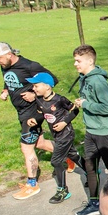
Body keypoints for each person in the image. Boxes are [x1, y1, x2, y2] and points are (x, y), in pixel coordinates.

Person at [0, 42, 57, 200]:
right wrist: (5, 90)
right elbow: (8, 79)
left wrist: (35, 96)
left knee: (26, 147)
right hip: (21, 111)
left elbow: (52, 80)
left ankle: (32, 184)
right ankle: (69, 155)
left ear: (9, 54)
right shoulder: (5, 66)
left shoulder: (30, 66)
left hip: (33, 112)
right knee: (39, 143)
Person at [72, 45, 108, 215]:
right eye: (75, 60)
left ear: (90, 61)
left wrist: (85, 104)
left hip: (105, 132)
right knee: (90, 167)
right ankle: (94, 202)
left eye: (78, 60)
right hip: (91, 131)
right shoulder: (84, 79)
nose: (75, 64)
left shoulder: (98, 81)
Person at [24, 72, 84, 204]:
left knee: (56, 161)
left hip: (66, 134)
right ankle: (91, 171)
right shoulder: (39, 101)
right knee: (73, 155)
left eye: (36, 86)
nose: (33, 89)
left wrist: (64, 123)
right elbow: (42, 114)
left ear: (47, 86)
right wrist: (35, 119)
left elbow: (75, 110)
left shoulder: (60, 99)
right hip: (56, 135)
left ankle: (63, 190)